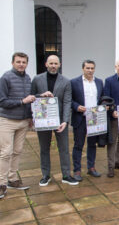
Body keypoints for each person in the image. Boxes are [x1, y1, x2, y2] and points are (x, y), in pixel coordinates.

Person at [31, 55, 78, 186]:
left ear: (59, 64)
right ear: (46, 64)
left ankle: (66, 175)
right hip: (43, 120)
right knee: (44, 148)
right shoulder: (37, 79)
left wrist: (65, 121)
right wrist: (41, 95)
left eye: (55, 63)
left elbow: (67, 101)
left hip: (60, 121)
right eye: (51, 63)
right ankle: (45, 175)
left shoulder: (66, 81)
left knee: (64, 148)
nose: (53, 66)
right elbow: (31, 97)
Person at [0, 52, 35, 198]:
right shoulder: (5, 78)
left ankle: (13, 179)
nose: (21, 64)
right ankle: (1, 183)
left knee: (18, 151)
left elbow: (29, 99)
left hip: (23, 121)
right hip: (7, 120)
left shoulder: (27, 78)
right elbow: (2, 101)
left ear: (27, 63)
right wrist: (22, 102)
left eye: (24, 62)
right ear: (13, 62)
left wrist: (30, 116)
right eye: (18, 62)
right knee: (5, 152)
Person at [70, 60, 103, 181]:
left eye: (92, 68)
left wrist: (104, 106)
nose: (90, 70)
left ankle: (91, 167)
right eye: (87, 68)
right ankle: (77, 170)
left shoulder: (99, 82)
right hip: (80, 118)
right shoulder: (74, 82)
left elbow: (101, 98)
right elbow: (70, 99)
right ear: (83, 69)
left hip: (94, 119)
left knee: (92, 145)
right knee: (78, 145)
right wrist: (76, 107)